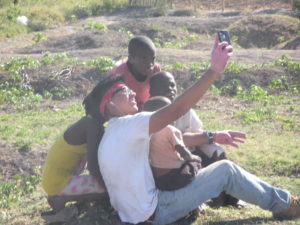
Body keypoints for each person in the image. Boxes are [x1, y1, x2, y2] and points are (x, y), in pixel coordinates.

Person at [97, 36, 300, 225]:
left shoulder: (111, 133)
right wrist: (214, 69)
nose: (133, 92)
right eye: (124, 91)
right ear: (110, 105)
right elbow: (177, 108)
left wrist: (212, 136)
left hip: (132, 214)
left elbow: (175, 137)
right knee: (226, 170)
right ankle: (285, 205)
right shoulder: (131, 125)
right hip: (156, 211)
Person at [149, 70, 244, 207]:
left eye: (172, 85)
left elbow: (196, 134)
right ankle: (208, 197)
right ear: (152, 92)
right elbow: (180, 139)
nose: (169, 89)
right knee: (197, 165)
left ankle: (230, 197)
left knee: (216, 152)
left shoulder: (185, 109)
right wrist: (212, 136)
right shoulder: (151, 112)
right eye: (163, 86)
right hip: (170, 162)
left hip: (189, 152)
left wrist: (213, 139)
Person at [41, 79, 115, 222]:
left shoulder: (90, 123)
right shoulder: (92, 125)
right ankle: (61, 200)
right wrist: (109, 188)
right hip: (58, 182)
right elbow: (93, 167)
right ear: (106, 104)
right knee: (110, 191)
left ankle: (70, 196)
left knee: (109, 187)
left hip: (55, 179)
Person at [144, 96, 201, 191]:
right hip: (174, 177)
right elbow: (184, 154)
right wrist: (195, 158)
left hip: (157, 179)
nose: (176, 114)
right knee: (196, 163)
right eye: (172, 112)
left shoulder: (147, 131)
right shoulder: (171, 130)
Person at [109, 35, 161, 110]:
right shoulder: (119, 72)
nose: (150, 64)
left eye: (152, 59)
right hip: (126, 112)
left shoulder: (155, 70)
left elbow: (160, 94)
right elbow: (114, 102)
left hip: (148, 110)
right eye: (144, 59)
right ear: (131, 58)